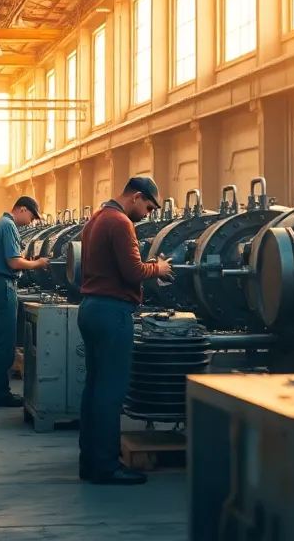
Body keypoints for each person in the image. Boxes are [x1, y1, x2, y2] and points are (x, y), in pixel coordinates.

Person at [76, 177, 172, 486]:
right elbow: (132, 271)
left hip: (91, 307)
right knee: (111, 391)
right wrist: (158, 268)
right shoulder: (120, 222)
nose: (147, 213)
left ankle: (89, 461)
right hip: (112, 312)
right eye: (148, 206)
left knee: (94, 387)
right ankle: (107, 466)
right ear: (137, 197)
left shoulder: (96, 219)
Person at [0, 196, 50, 407]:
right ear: (21, 209)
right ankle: (1, 394)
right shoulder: (9, 226)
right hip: (3, 286)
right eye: (31, 216)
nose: (30, 222)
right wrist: (38, 263)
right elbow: (13, 261)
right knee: (4, 342)